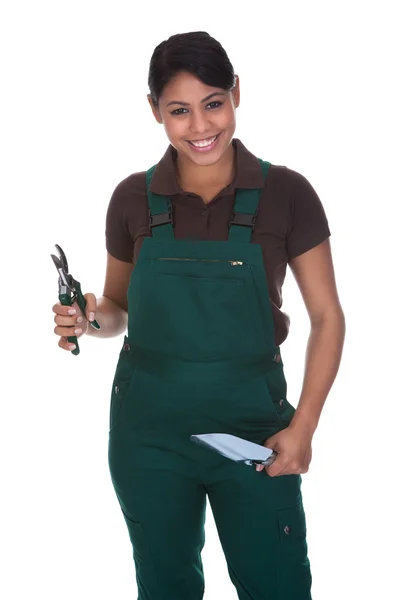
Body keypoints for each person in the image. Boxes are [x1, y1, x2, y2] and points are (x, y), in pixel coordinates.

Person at [52, 31, 345, 600]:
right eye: (178, 111)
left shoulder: (288, 193)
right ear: (154, 111)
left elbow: (328, 316)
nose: (200, 126)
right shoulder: (132, 199)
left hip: (256, 432)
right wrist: (87, 318)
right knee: (165, 587)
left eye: (213, 102)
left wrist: (304, 425)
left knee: (278, 585)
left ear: (236, 93)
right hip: (150, 434)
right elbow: (118, 310)